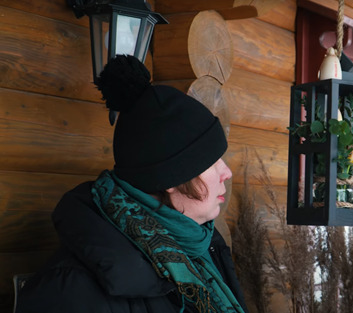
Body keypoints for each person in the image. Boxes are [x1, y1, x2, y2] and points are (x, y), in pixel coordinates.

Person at [16, 55, 248, 313]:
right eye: (211, 162)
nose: (226, 172)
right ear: (170, 178)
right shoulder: (69, 290)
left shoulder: (202, 245)